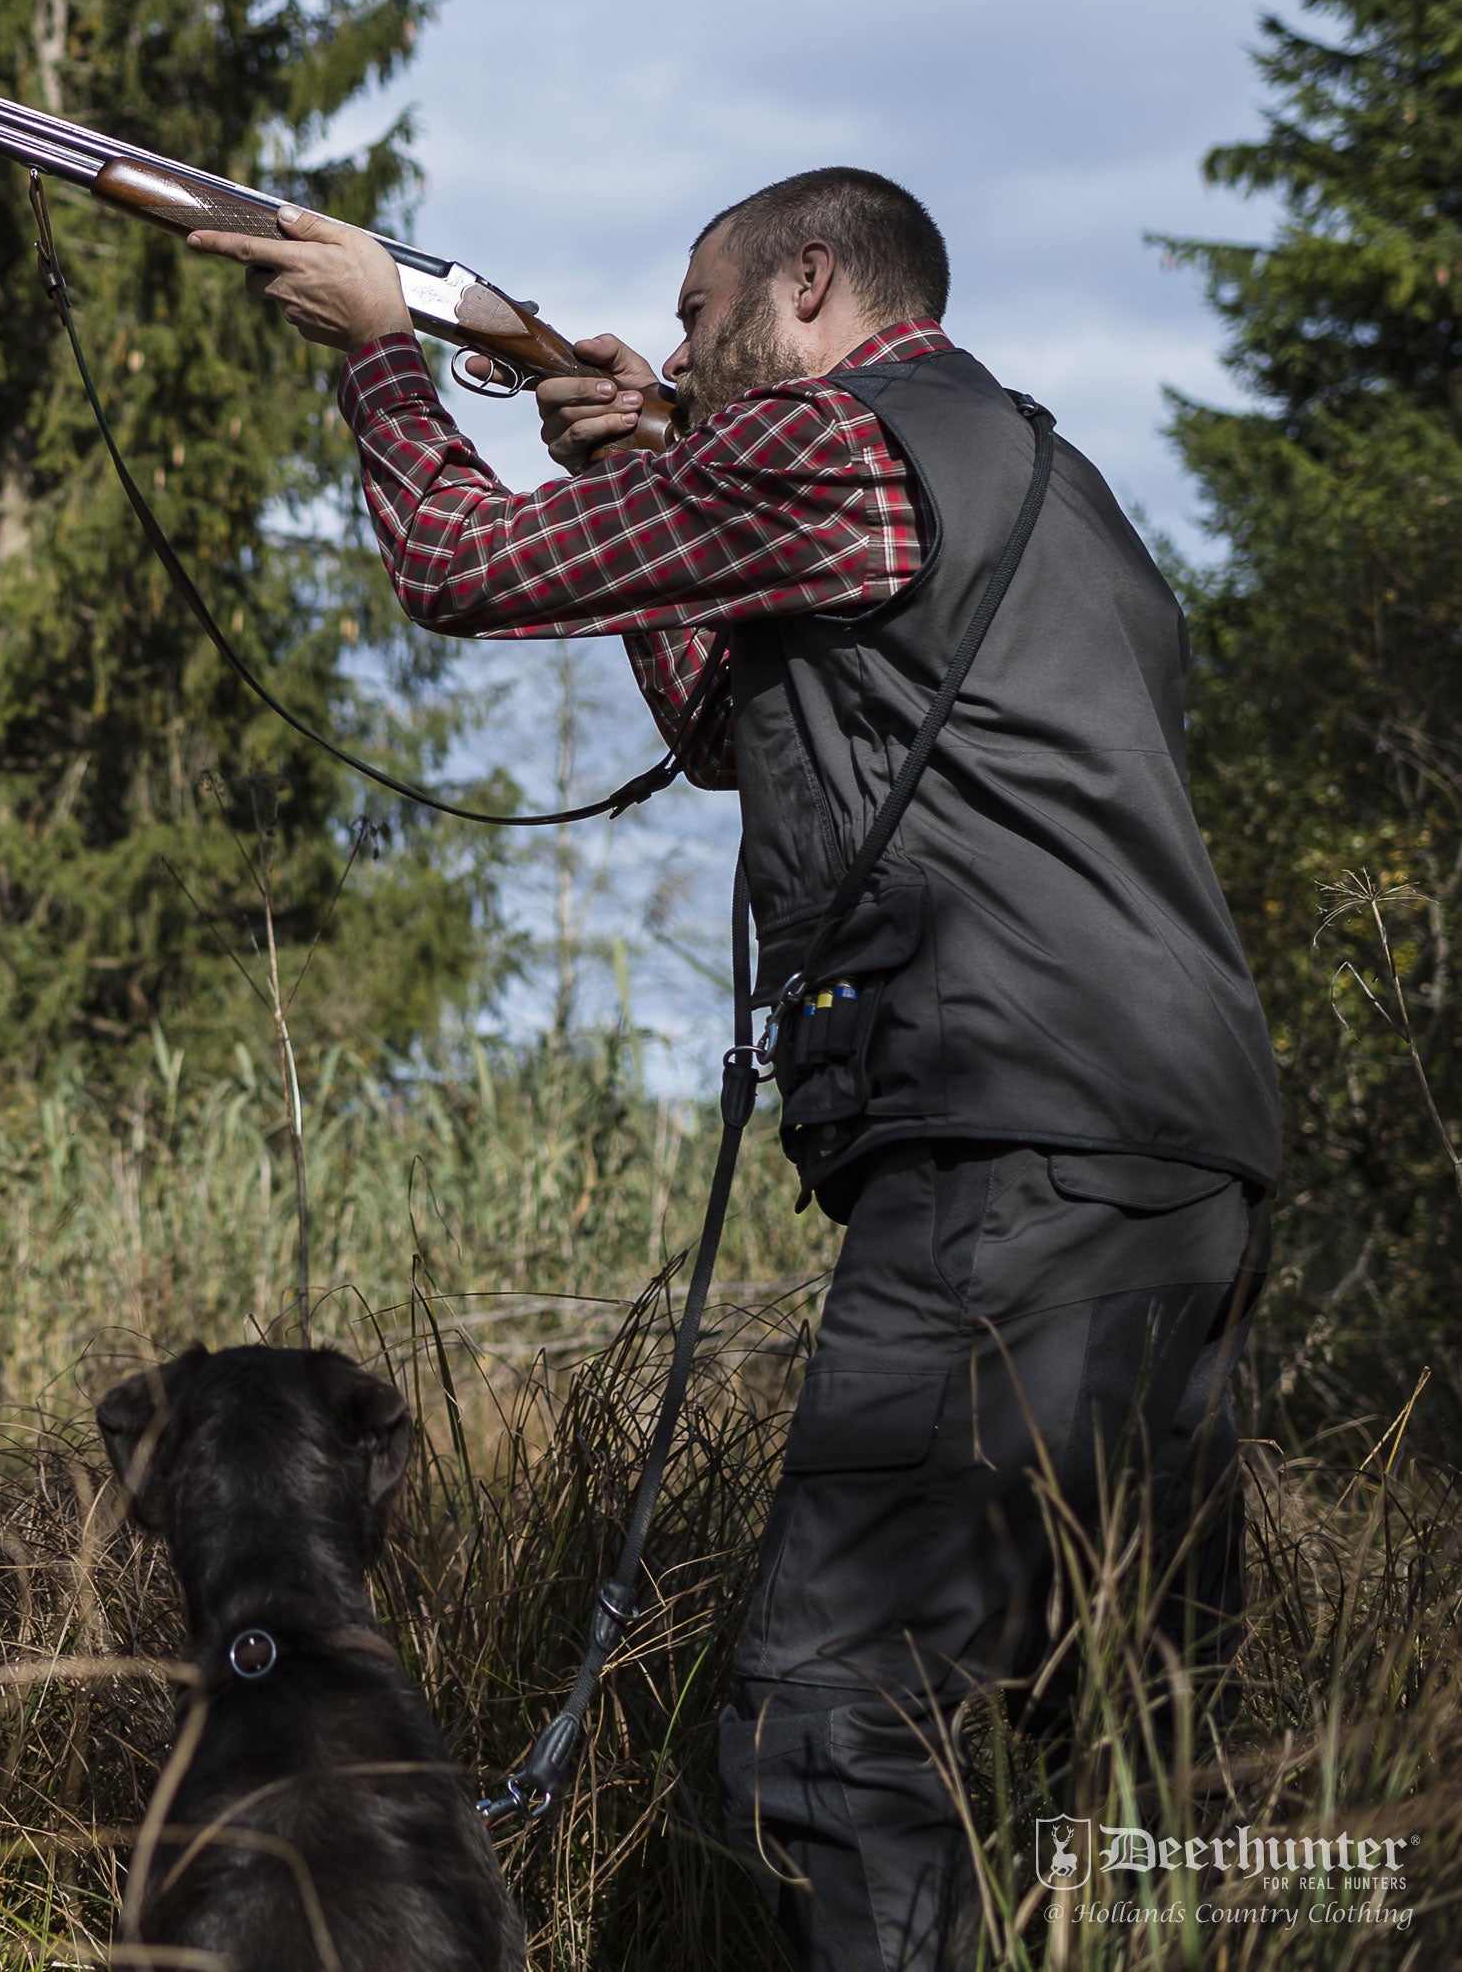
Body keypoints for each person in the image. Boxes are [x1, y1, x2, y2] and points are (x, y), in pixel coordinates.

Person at [189, 170, 1281, 1972]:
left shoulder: (835, 443)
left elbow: (455, 568)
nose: (678, 348)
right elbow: (732, 725)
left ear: (812, 284)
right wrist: (633, 469)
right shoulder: (1042, 474)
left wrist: (390, 351)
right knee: (1140, 1727)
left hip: (1006, 1153)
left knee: (827, 1723)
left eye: (696, 319)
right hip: (1180, 1158)